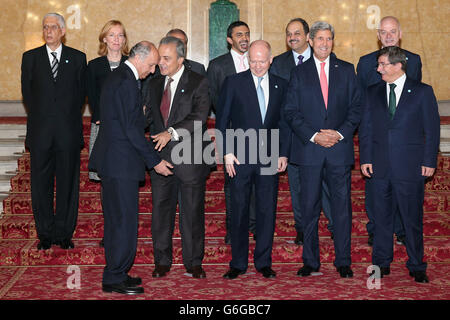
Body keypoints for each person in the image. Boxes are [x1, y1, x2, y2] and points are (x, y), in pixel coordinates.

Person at [89, 41, 173, 295]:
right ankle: (114, 276)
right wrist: (155, 161)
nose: (152, 70)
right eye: (150, 65)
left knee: (119, 221)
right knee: (122, 222)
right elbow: (131, 131)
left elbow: (127, 120)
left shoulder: (122, 78)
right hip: (119, 163)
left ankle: (117, 272)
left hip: (117, 163)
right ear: (138, 58)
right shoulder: (125, 81)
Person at [284, 21, 361, 278]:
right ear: (310, 40)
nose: (324, 43)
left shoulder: (347, 70)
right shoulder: (299, 72)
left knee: (341, 208)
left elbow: (356, 109)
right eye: (319, 39)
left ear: (332, 41)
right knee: (309, 208)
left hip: (338, 150)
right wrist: (315, 136)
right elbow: (291, 112)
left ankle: (343, 261)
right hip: (309, 151)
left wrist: (337, 134)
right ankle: (310, 260)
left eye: (329, 39)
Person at [359, 46, 440, 283]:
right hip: (379, 166)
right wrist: (365, 158)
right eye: (379, 64)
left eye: (383, 64)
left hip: (411, 166)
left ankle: (416, 264)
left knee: (411, 218)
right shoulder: (372, 91)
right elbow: (366, 129)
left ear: (398, 66)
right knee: (381, 218)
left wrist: (429, 160)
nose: (378, 69)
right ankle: (381, 262)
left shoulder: (423, 92)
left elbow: (431, 130)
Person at [216, 40, 290, 279]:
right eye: (253, 61)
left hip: (269, 156)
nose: (257, 66)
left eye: (262, 61)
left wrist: (283, 153)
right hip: (239, 157)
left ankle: (263, 262)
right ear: (248, 60)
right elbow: (222, 120)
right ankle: (237, 263)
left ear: (270, 60)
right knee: (238, 210)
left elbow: (284, 123)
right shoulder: (233, 83)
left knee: (267, 210)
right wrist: (226, 152)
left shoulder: (281, 85)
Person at [144, 36, 210, 279]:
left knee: (192, 212)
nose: (160, 62)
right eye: (159, 57)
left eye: (166, 58)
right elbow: (149, 116)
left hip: (191, 158)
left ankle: (193, 262)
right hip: (161, 160)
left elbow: (200, 117)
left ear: (181, 59)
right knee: (161, 211)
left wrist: (170, 132)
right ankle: (162, 260)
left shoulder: (198, 81)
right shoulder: (152, 83)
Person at [21, 13, 86, 250]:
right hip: (40, 133)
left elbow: (80, 96)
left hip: (68, 131)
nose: (48, 31)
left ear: (63, 31)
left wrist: (64, 117)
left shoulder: (78, 58)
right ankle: (45, 234)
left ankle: (64, 233)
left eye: (53, 27)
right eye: (45, 27)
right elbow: (28, 95)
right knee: (40, 184)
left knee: (68, 183)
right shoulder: (30, 58)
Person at [356, 16, 422, 247]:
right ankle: (376, 229)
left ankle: (402, 229)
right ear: (378, 35)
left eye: (392, 31)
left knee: (404, 189)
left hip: (404, 142)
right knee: (376, 190)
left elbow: (415, 102)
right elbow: (362, 103)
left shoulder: (413, 60)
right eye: (383, 32)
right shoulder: (365, 63)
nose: (388, 36)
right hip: (377, 141)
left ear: (400, 33)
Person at [270, 18, 333, 245]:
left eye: (297, 33)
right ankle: (302, 227)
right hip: (293, 135)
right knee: (297, 188)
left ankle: (334, 224)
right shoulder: (278, 63)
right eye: (288, 34)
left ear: (308, 36)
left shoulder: (328, 61)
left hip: (325, 135)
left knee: (326, 184)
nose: (292, 37)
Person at [207, 20, 256, 245]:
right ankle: (234, 228)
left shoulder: (259, 59)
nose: (244, 38)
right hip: (232, 132)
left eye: (246, 34)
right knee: (233, 183)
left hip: (261, 133)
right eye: (239, 35)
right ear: (229, 40)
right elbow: (215, 98)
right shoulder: (217, 66)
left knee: (259, 182)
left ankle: (255, 226)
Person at [86, 20, 129, 248]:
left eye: (120, 35)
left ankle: (123, 228)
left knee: (123, 180)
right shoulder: (94, 66)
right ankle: (110, 229)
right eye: (112, 35)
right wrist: (100, 115)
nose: (116, 39)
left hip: (125, 131)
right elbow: (91, 96)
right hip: (103, 128)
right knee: (107, 181)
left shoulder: (131, 65)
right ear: (104, 39)